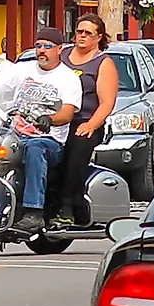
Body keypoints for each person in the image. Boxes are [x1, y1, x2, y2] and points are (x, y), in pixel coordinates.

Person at [45, 16, 122, 228]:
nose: (82, 36)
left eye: (88, 33)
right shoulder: (63, 56)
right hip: (54, 120)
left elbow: (107, 102)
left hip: (84, 121)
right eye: (79, 31)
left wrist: (91, 125)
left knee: (75, 148)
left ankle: (67, 207)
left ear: (98, 37)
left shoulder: (103, 63)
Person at [16, 29, 83, 219]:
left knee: (35, 148)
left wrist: (50, 119)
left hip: (49, 139)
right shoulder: (22, 69)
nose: (42, 51)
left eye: (47, 46)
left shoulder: (68, 78)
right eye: (38, 46)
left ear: (59, 49)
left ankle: (33, 211)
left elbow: (67, 113)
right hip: (14, 132)